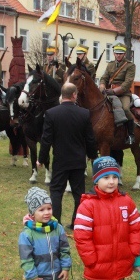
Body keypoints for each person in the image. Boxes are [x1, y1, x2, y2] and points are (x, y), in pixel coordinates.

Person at [73, 156, 140, 280]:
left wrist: (133, 251)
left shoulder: (126, 201)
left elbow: (136, 227)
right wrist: (91, 260)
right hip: (97, 265)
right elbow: (81, 235)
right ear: (96, 180)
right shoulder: (88, 205)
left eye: (114, 176)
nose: (111, 181)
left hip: (120, 262)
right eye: (106, 177)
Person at [39, 82, 98, 229]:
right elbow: (90, 138)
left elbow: (46, 140)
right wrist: (92, 155)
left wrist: (41, 159)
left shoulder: (51, 113)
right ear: (74, 95)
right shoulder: (84, 114)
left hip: (60, 160)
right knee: (79, 194)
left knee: (56, 192)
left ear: (62, 95)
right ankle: (76, 223)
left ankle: (56, 223)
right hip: (78, 161)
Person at [19, 187, 71, 280]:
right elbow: (26, 258)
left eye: (49, 208)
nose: (47, 212)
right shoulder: (27, 234)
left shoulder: (58, 229)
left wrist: (65, 267)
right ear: (32, 214)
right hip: (38, 276)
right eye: (41, 210)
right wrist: (32, 275)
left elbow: (64, 250)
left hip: (55, 274)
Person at [99, 43, 136, 145]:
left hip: (123, 94)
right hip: (109, 93)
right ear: (114, 54)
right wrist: (102, 86)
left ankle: (131, 135)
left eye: (120, 53)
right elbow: (104, 78)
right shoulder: (110, 64)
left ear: (124, 54)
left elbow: (127, 83)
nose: (118, 55)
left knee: (125, 109)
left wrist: (115, 91)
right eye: (116, 53)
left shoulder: (130, 65)